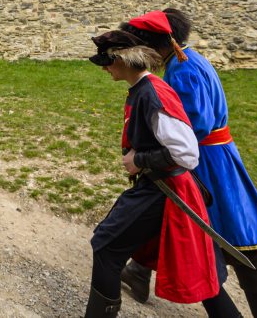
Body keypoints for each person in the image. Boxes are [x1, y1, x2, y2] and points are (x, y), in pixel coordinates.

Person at [118, 9, 257, 317]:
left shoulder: (185, 70)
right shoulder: (185, 61)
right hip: (209, 156)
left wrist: (146, 154)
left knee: (226, 229)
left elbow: (192, 127)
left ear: (157, 44)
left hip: (210, 163)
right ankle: (138, 272)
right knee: (172, 217)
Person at [84, 29, 220, 317]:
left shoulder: (153, 93)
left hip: (164, 190)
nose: (106, 68)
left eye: (108, 61)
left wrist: (138, 159)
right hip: (157, 185)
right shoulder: (143, 90)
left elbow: (187, 153)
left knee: (106, 247)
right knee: (112, 246)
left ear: (124, 59)